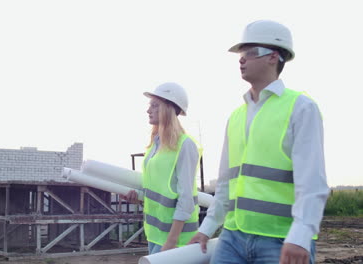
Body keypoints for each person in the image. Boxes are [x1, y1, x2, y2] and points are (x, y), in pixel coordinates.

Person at [188, 20, 329, 264]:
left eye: (249, 53)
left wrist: (301, 235)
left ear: (273, 56)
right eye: (241, 54)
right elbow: (225, 184)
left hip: (280, 239)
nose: (241, 59)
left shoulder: (301, 108)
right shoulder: (236, 116)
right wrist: (207, 227)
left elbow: (312, 182)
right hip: (233, 238)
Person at [123, 82, 201, 255]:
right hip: (155, 235)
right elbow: (159, 191)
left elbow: (186, 199)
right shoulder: (155, 145)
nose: (148, 110)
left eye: (154, 105)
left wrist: (171, 242)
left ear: (168, 108)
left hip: (176, 239)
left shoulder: (185, 145)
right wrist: (138, 198)